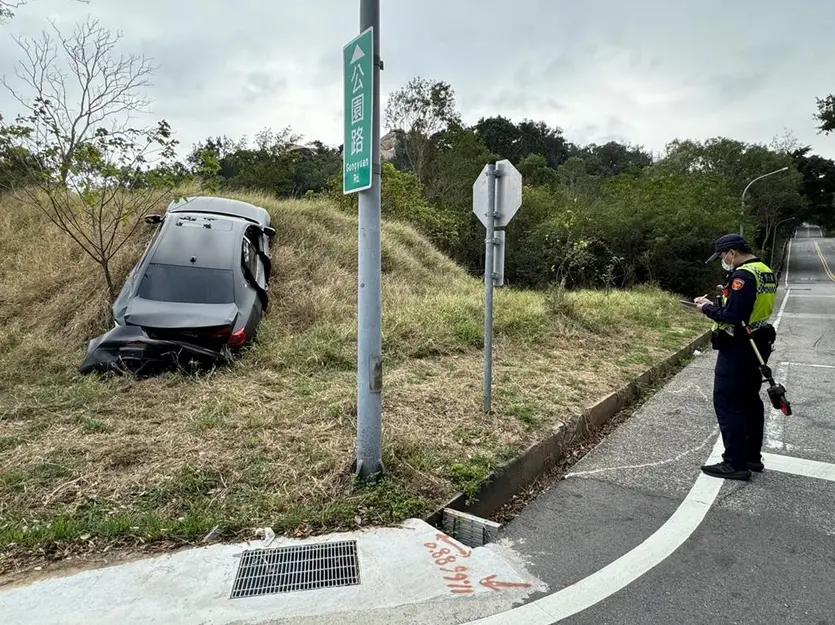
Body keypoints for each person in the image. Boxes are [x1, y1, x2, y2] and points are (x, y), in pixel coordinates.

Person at [693, 234, 777, 481]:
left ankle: (734, 463)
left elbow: (733, 316)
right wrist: (715, 303)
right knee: (750, 400)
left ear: (732, 252)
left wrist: (706, 308)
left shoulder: (743, 276)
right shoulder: (764, 271)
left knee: (729, 402)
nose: (723, 260)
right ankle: (752, 457)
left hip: (740, 344)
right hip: (758, 339)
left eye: (722, 256)